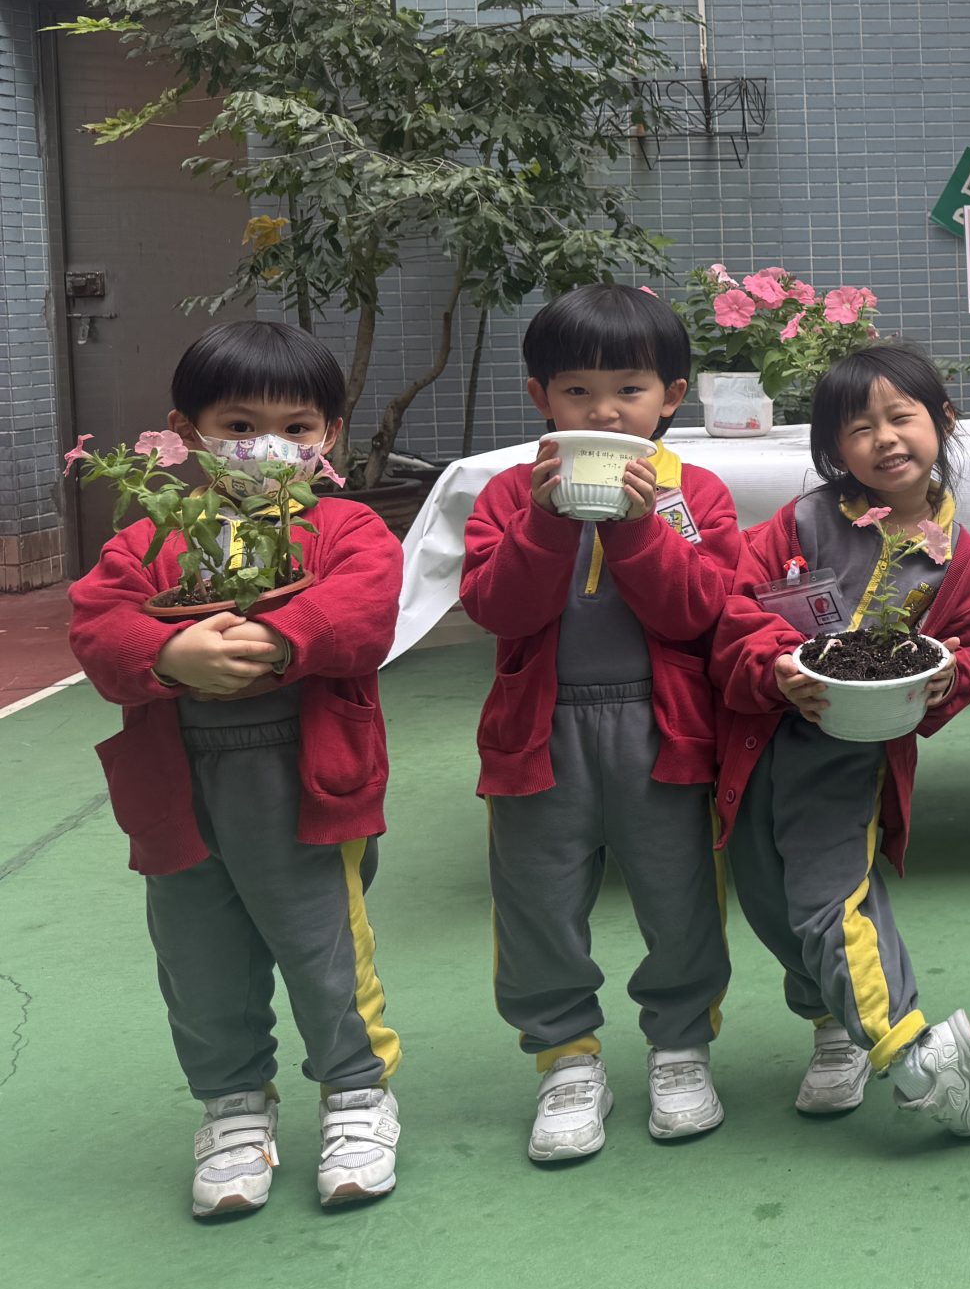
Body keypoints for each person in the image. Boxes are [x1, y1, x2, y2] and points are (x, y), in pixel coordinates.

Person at [68, 321, 404, 1218]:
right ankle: (231, 1108)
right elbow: (98, 625)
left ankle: (356, 1095)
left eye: (297, 428)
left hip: (306, 780)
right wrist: (166, 654)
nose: (268, 447)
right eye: (240, 425)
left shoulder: (344, 525)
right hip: (177, 786)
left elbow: (366, 607)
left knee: (323, 944)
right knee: (198, 955)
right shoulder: (151, 537)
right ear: (187, 432)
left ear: (329, 434)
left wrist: (281, 637)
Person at [459, 283, 742, 1162]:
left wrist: (636, 526)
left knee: (679, 895)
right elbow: (497, 608)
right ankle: (565, 1058)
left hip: (663, 730)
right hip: (539, 733)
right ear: (539, 397)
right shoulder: (509, 494)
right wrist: (546, 521)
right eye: (577, 390)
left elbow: (697, 612)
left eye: (630, 388)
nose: (605, 411)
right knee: (537, 901)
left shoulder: (696, 493)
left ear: (672, 396)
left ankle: (681, 1046)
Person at [709, 343, 970, 1138]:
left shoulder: (954, 557)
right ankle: (833, 1023)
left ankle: (912, 1048)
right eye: (859, 428)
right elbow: (735, 608)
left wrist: (947, 679)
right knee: (771, 902)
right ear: (835, 447)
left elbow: (969, 652)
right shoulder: (801, 523)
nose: (885, 439)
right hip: (760, 743)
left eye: (902, 417)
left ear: (943, 421)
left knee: (830, 902)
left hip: (849, 757)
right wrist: (775, 667)